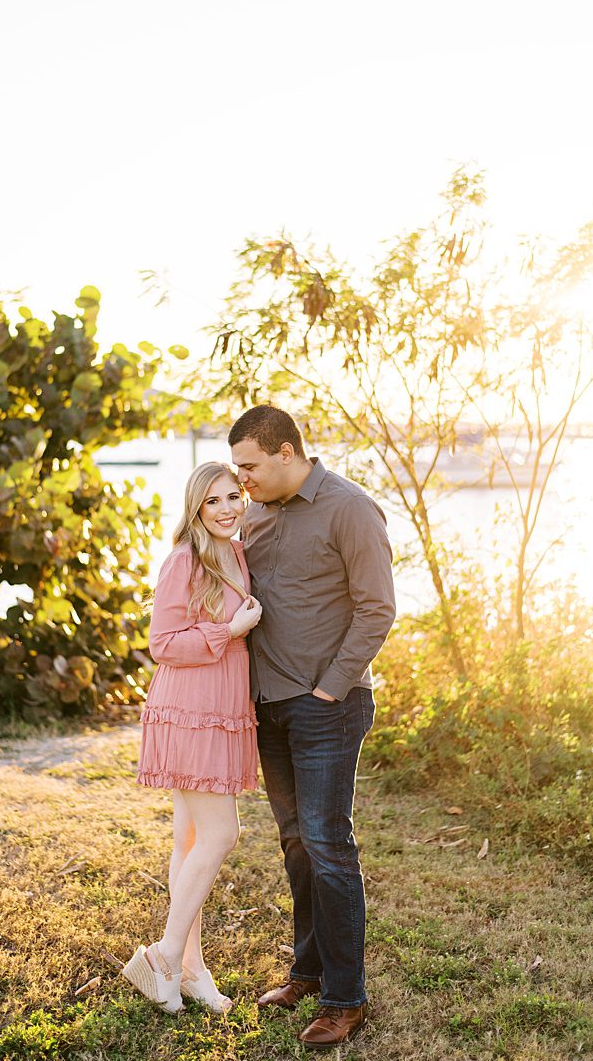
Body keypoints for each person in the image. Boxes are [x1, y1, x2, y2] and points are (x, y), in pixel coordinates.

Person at [228, 405, 396, 1049]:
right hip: (269, 705)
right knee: (296, 842)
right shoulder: (255, 512)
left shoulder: (350, 508)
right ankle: (307, 970)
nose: (241, 478)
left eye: (249, 465)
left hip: (328, 705)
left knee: (328, 843)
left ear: (287, 451)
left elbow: (376, 608)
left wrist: (331, 685)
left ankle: (346, 998)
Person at [121, 461, 262, 1015]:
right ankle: (165, 953)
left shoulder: (237, 552)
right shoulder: (184, 559)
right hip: (189, 707)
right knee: (221, 834)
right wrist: (228, 632)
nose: (227, 509)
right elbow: (162, 642)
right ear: (195, 508)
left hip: (221, 705)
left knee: (188, 842)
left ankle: (192, 970)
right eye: (214, 502)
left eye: (234, 497)